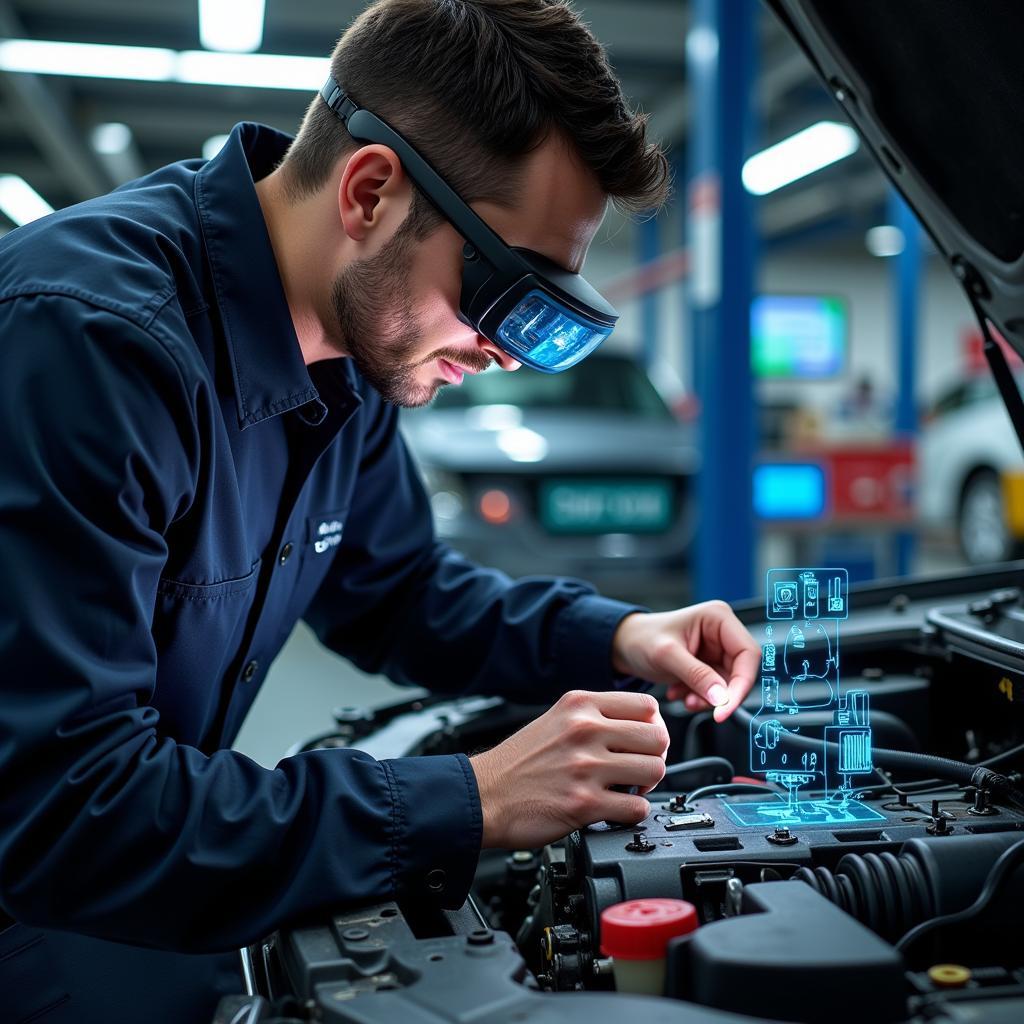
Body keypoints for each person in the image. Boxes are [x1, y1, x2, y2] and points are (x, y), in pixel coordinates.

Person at [0, 1, 760, 1020]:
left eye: (552, 320)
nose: (510, 351)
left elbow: (398, 591)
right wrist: (472, 800)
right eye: (503, 293)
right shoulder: (93, 345)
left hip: (123, 865)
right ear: (369, 191)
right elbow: (66, 802)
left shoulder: (353, 358)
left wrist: (616, 634)